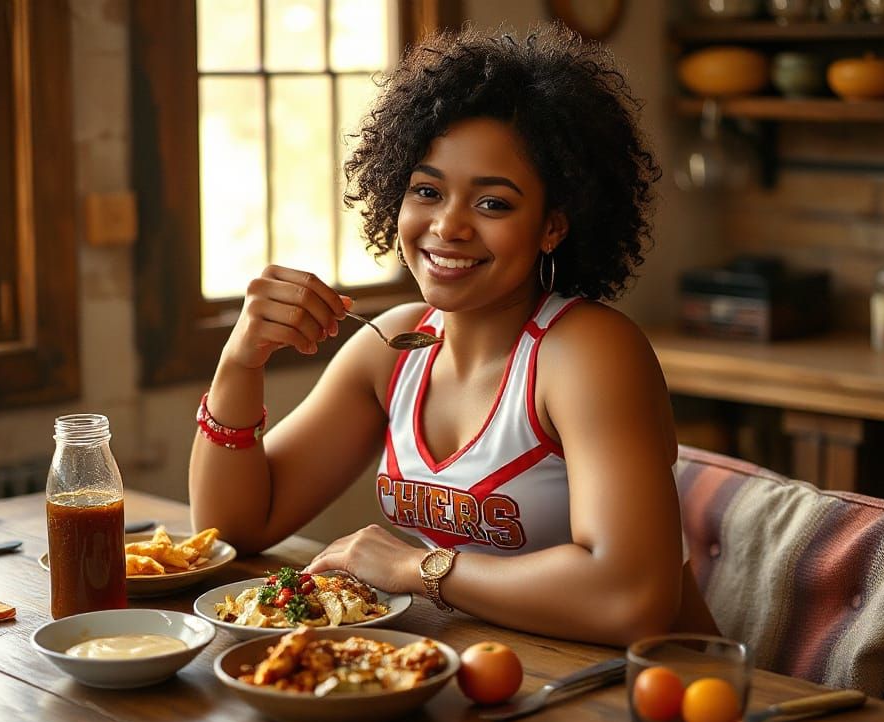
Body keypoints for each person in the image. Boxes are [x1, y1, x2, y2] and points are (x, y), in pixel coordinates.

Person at [189, 22, 717, 645]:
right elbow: (232, 529)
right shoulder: (392, 348)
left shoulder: (587, 352)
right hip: (500, 684)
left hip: (657, 698)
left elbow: (631, 598)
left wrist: (415, 568)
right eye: (427, 191)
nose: (448, 226)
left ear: (551, 226)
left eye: (492, 204)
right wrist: (240, 366)